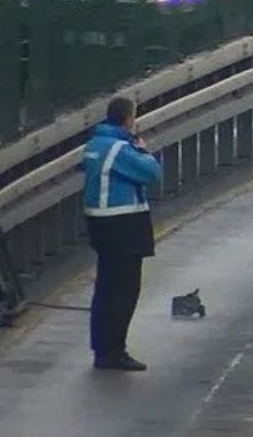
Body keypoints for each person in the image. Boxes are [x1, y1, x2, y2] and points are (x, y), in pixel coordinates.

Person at [81, 96, 161, 371]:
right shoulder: (119, 148)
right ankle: (114, 351)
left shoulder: (95, 144)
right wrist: (143, 150)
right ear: (129, 118)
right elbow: (151, 172)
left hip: (100, 223)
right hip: (122, 222)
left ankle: (102, 348)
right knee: (124, 290)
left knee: (105, 287)